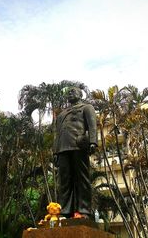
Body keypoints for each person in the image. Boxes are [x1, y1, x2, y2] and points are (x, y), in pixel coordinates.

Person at [54, 87, 97, 218]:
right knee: (65, 180)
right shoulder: (62, 114)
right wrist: (55, 152)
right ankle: (65, 211)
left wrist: (93, 142)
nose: (70, 93)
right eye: (68, 92)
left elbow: (92, 125)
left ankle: (84, 210)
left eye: (73, 91)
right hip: (62, 148)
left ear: (80, 94)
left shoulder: (86, 107)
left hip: (78, 145)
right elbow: (57, 134)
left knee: (82, 179)